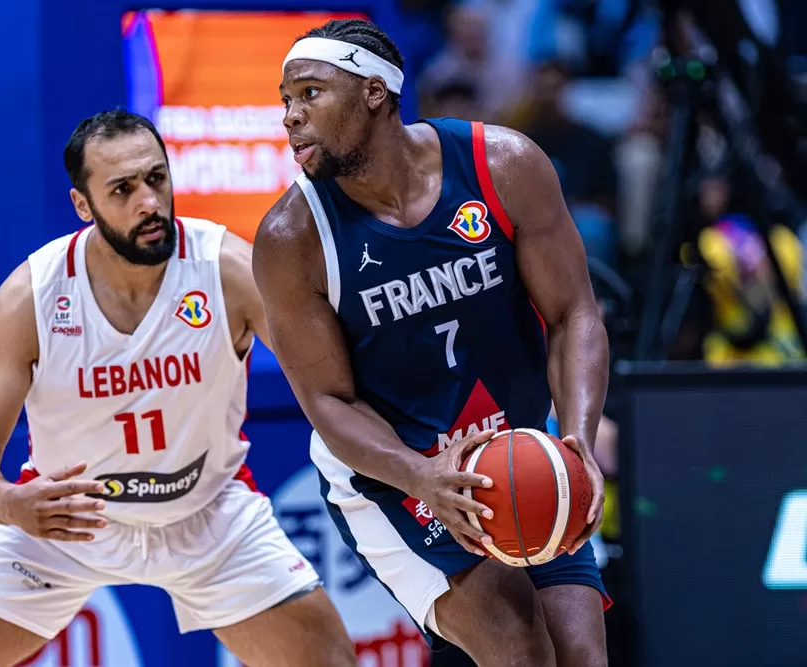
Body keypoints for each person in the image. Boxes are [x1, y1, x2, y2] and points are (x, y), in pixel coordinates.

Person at [0, 110, 357, 667]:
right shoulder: (32, 297)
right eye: (122, 189)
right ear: (83, 205)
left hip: (208, 513)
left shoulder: (226, 269)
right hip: (62, 520)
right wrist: (7, 503)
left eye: (157, 179)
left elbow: (336, 381)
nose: (148, 203)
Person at [254, 19, 611, 667]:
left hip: (517, 449)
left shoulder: (502, 165)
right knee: (518, 644)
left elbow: (574, 313)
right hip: (394, 477)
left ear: (373, 92)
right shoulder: (293, 236)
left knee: (582, 653)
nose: (291, 117)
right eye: (285, 100)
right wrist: (423, 474)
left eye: (309, 93)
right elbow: (329, 403)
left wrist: (579, 437)